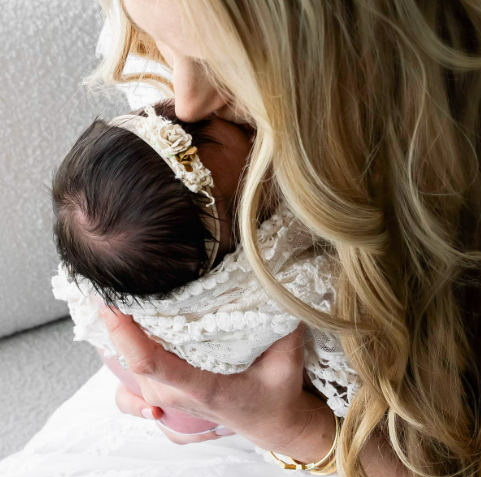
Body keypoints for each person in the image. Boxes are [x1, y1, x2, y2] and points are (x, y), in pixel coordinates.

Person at [71, 0, 481, 477]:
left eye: (228, 60)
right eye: (164, 39)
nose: (186, 103)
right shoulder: (167, 12)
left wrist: (293, 429)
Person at [51, 100, 357, 452]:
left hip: (217, 414)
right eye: (253, 186)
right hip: (271, 417)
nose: (258, 140)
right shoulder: (278, 295)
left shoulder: (116, 274)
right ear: (235, 256)